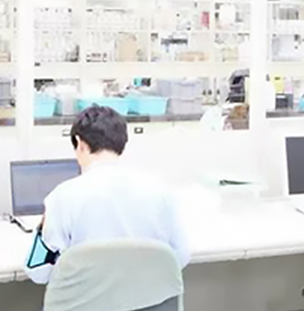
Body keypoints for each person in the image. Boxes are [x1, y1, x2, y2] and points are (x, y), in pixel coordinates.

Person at [24, 105, 190, 284]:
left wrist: (41, 229)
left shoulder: (62, 197)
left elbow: (38, 271)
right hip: (145, 298)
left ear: (79, 143)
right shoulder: (160, 191)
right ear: (122, 143)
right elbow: (181, 257)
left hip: (85, 299)